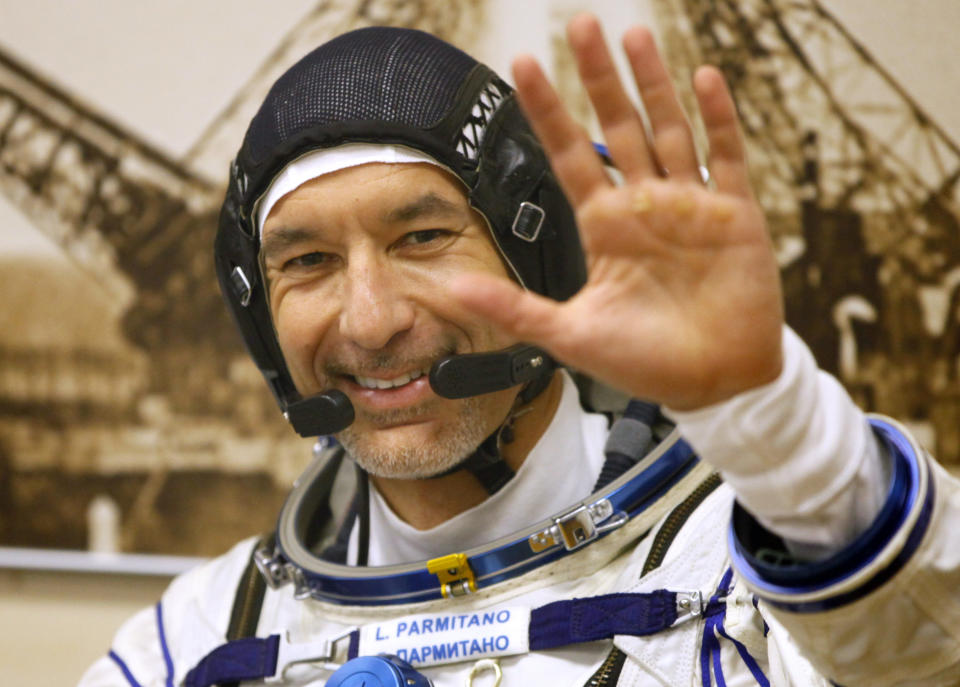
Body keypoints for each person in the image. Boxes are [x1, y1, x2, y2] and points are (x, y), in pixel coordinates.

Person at [80, 14, 960, 687]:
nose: (371, 319)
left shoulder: (757, 587)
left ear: (540, 257)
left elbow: (926, 651)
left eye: (421, 236)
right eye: (307, 261)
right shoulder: (198, 642)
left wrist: (773, 420)